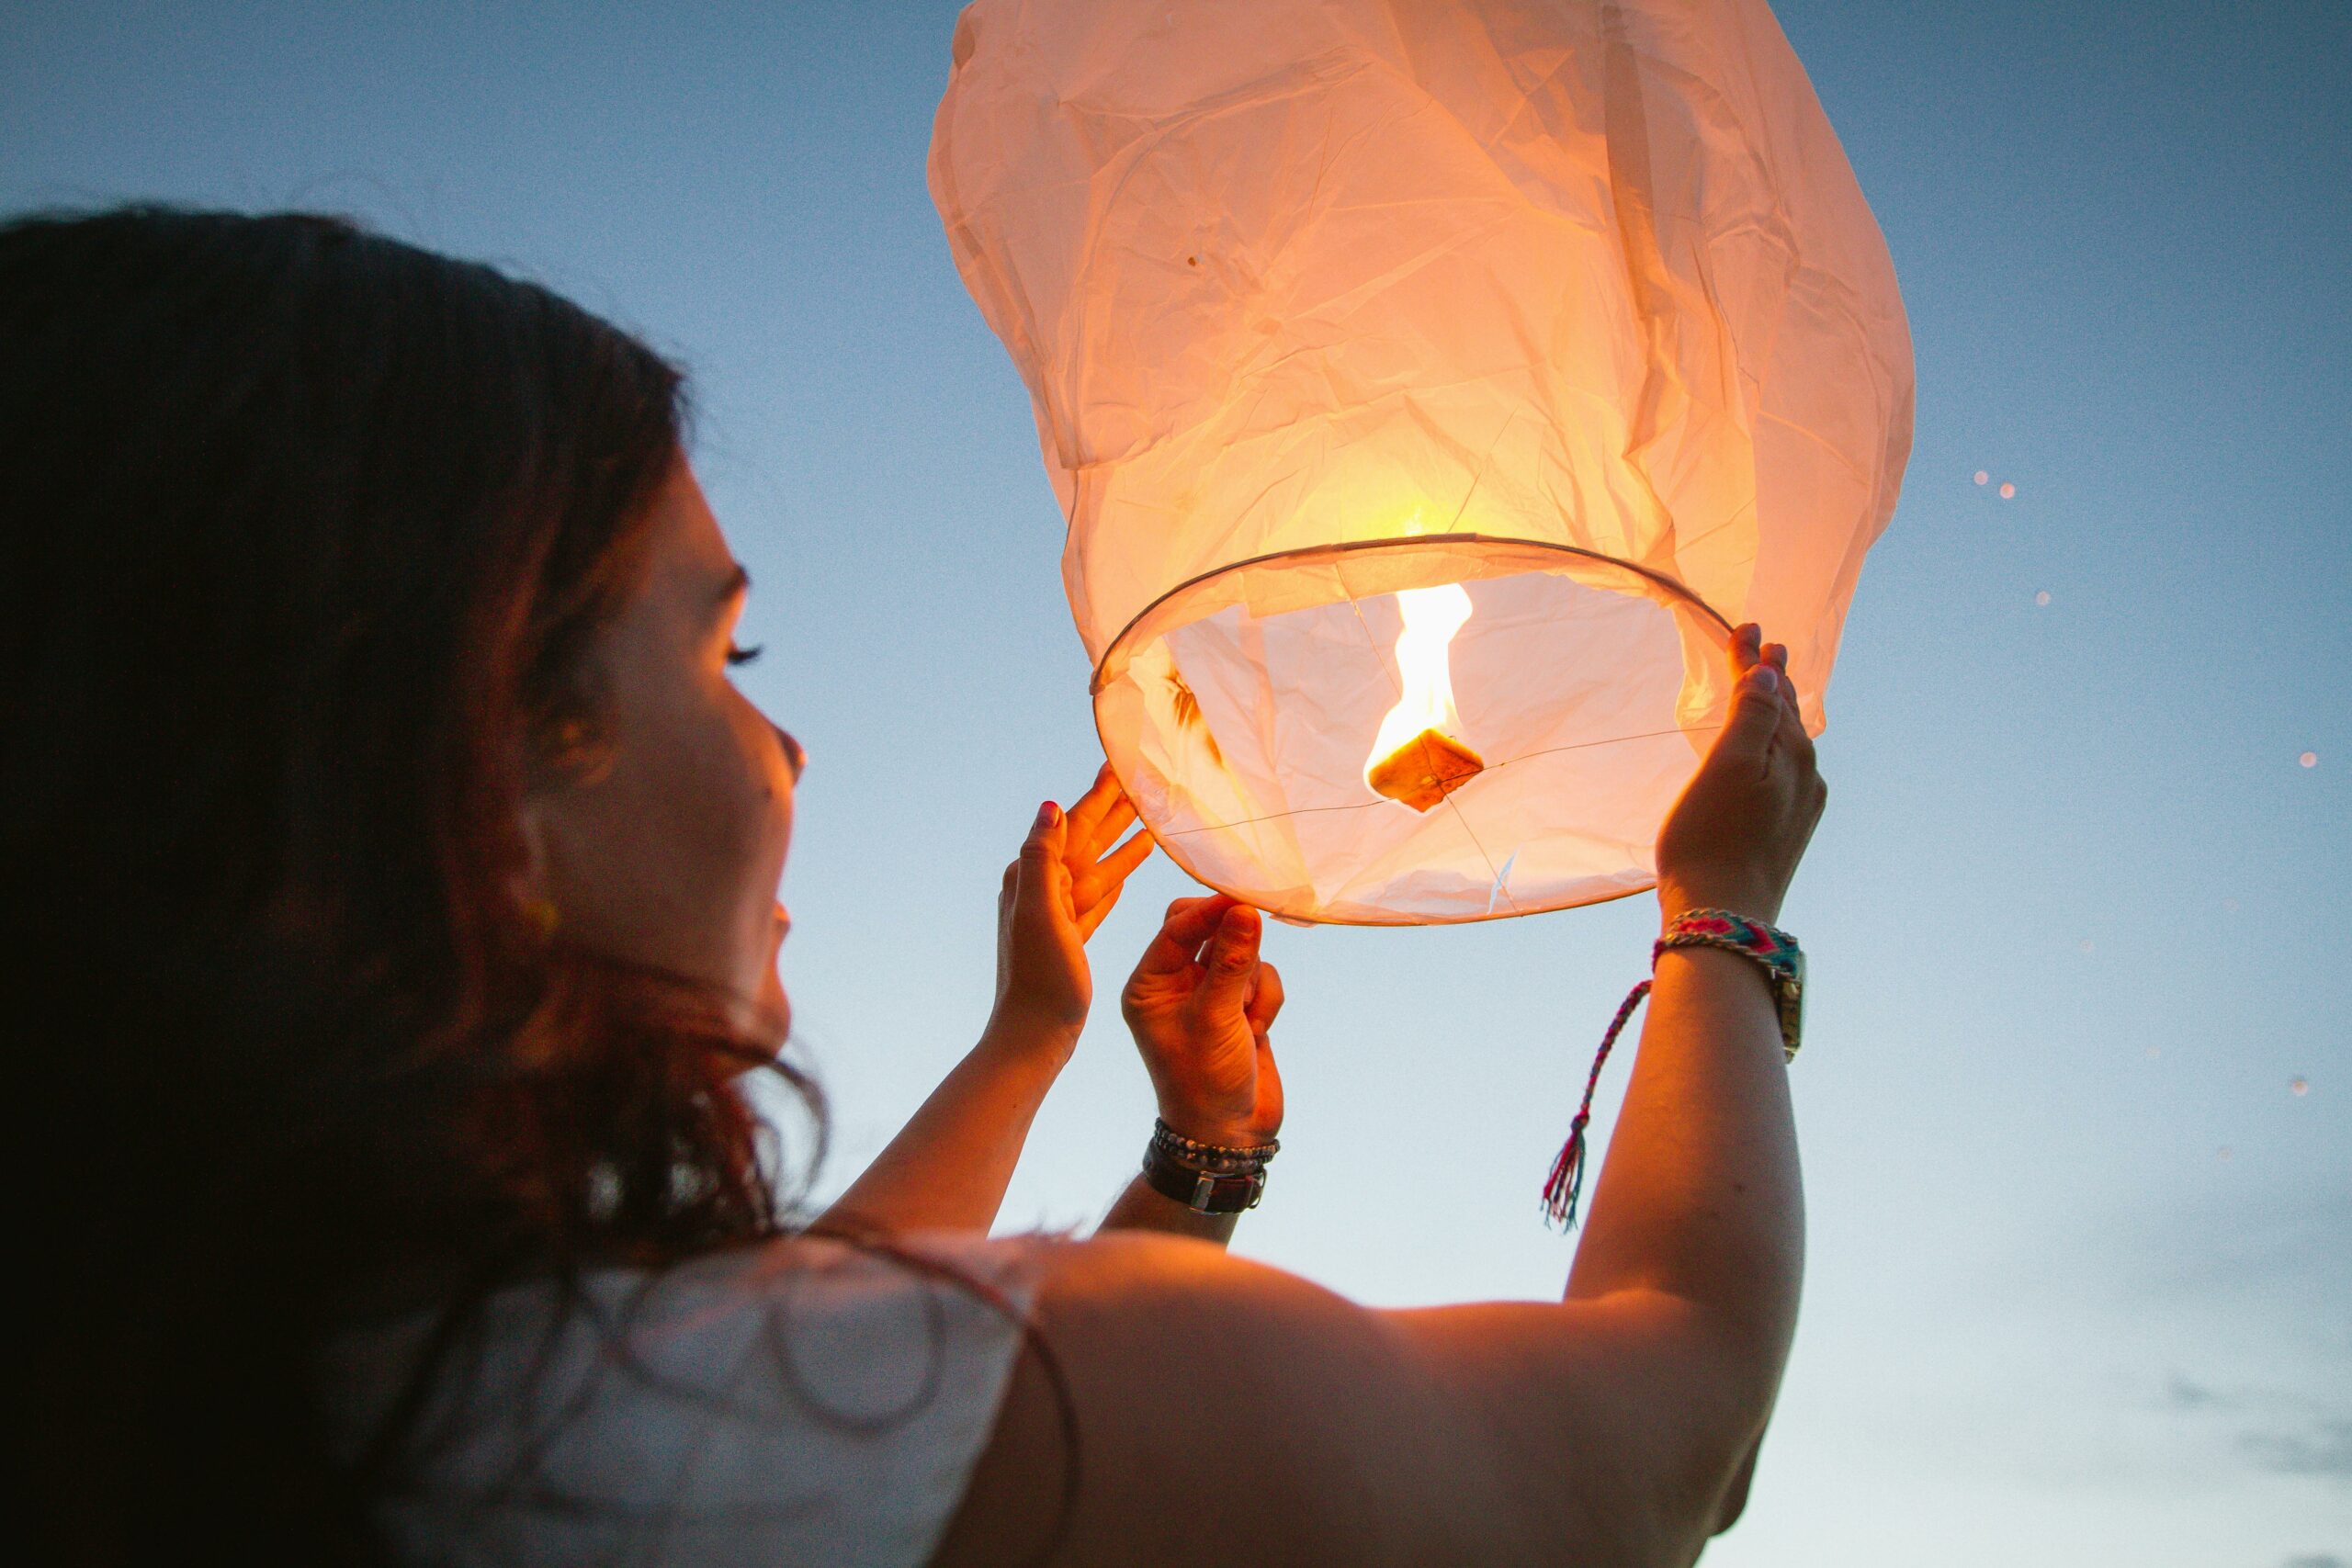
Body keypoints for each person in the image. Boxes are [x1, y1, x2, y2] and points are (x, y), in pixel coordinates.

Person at [6, 207, 1821, 1568]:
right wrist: (1716, 915)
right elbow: (1665, 1426)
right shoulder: (607, 1431)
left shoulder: (234, 1394)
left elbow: (861, 1388)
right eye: (721, 649)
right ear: (459, 758)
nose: (781, 748)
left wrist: (1071, 1062)